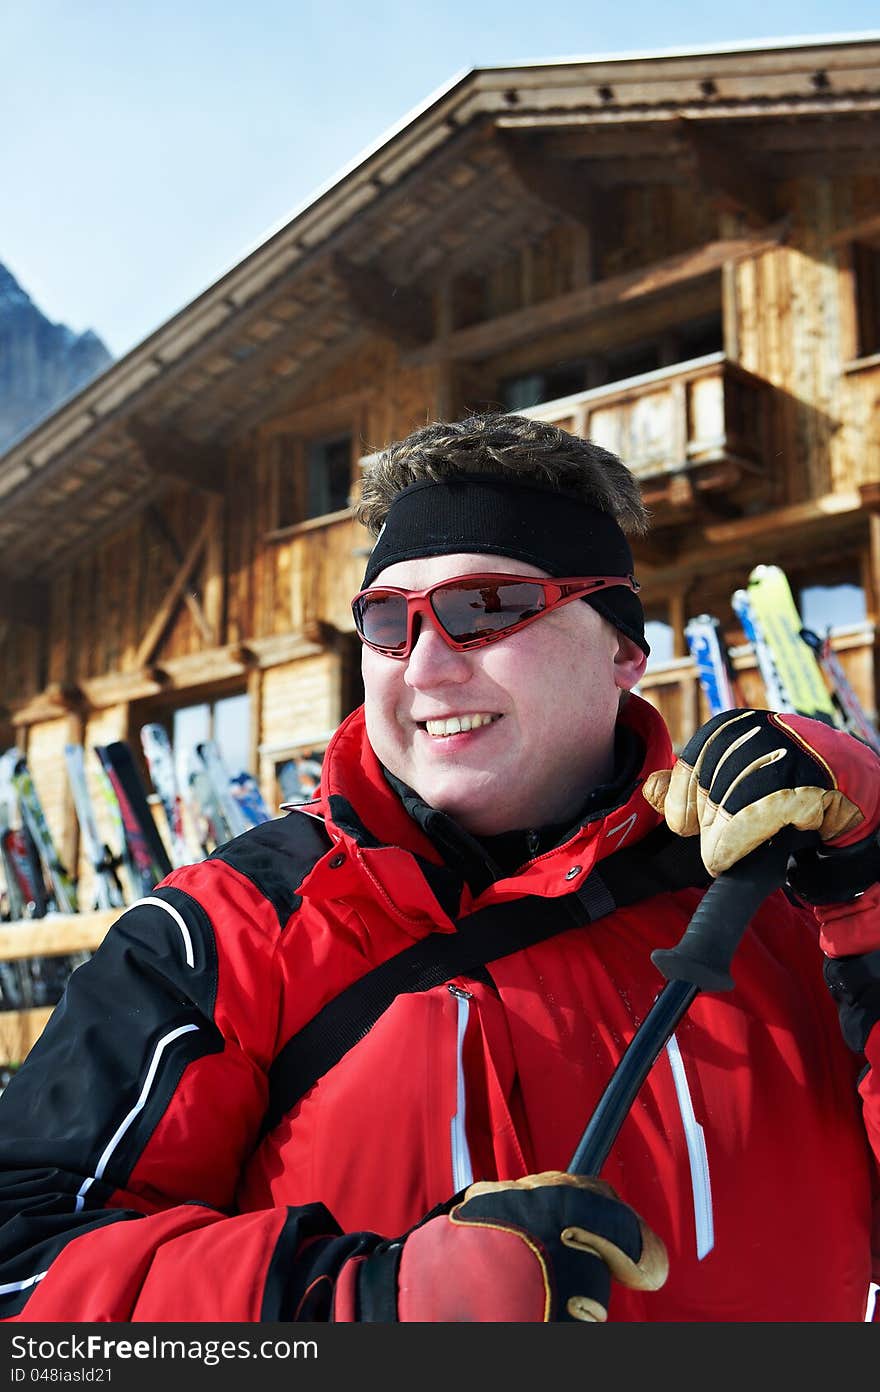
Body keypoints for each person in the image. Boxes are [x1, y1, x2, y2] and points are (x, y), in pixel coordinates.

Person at [0, 411, 878, 1323]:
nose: (423, 668)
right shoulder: (232, 933)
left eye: (485, 608)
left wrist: (872, 883)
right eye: (388, 622)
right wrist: (369, 1308)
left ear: (623, 649)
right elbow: (23, 1274)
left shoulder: (781, 896)